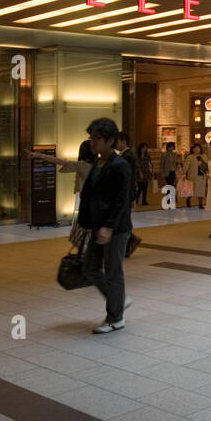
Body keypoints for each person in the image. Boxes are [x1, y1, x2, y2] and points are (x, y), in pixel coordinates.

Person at [77, 117, 133, 334]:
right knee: (90, 268)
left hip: (115, 228)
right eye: (91, 138)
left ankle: (115, 318)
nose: (93, 142)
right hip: (98, 225)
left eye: (97, 138)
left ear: (110, 140)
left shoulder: (120, 166)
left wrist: (109, 226)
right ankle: (118, 299)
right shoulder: (98, 163)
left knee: (113, 272)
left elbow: (122, 200)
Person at [184, 142, 208, 208]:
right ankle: (188, 200)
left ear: (200, 149)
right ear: (192, 149)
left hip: (201, 176)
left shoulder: (204, 156)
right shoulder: (190, 157)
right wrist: (183, 172)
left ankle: (200, 204)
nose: (196, 149)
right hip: (192, 176)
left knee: (201, 190)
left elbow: (207, 165)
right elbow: (186, 165)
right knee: (191, 190)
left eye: (198, 148)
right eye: (195, 148)